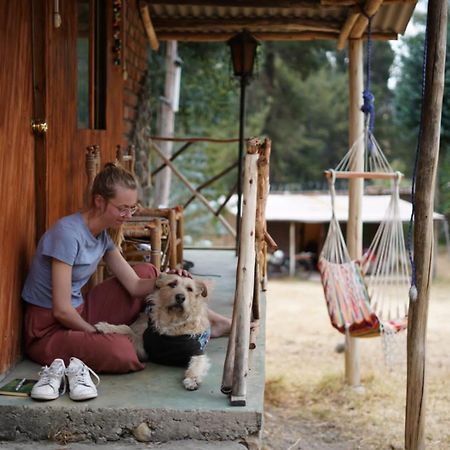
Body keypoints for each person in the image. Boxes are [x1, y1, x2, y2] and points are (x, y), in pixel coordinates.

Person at [22, 163, 231, 382]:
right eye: (122, 208)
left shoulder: (103, 235)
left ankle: (210, 323)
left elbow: (134, 285)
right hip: (48, 329)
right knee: (123, 351)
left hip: (80, 310)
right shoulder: (67, 234)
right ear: (99, 201)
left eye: (132, 208)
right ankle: (120, 338)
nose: (128, 215)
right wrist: (95, 333)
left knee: (150, 273)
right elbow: (62, 311)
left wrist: (168, 279)